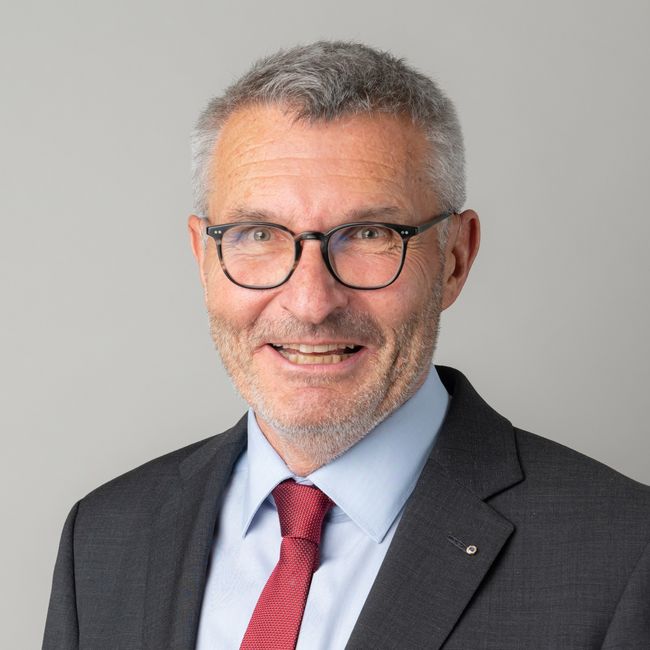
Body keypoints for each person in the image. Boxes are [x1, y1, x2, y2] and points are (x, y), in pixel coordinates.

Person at [43, 41, 650, 650]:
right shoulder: (104, 536)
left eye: (368, 234)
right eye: (259, 234)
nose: (311, 302)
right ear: (204, 258)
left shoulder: (623, 555)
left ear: (455, 259)